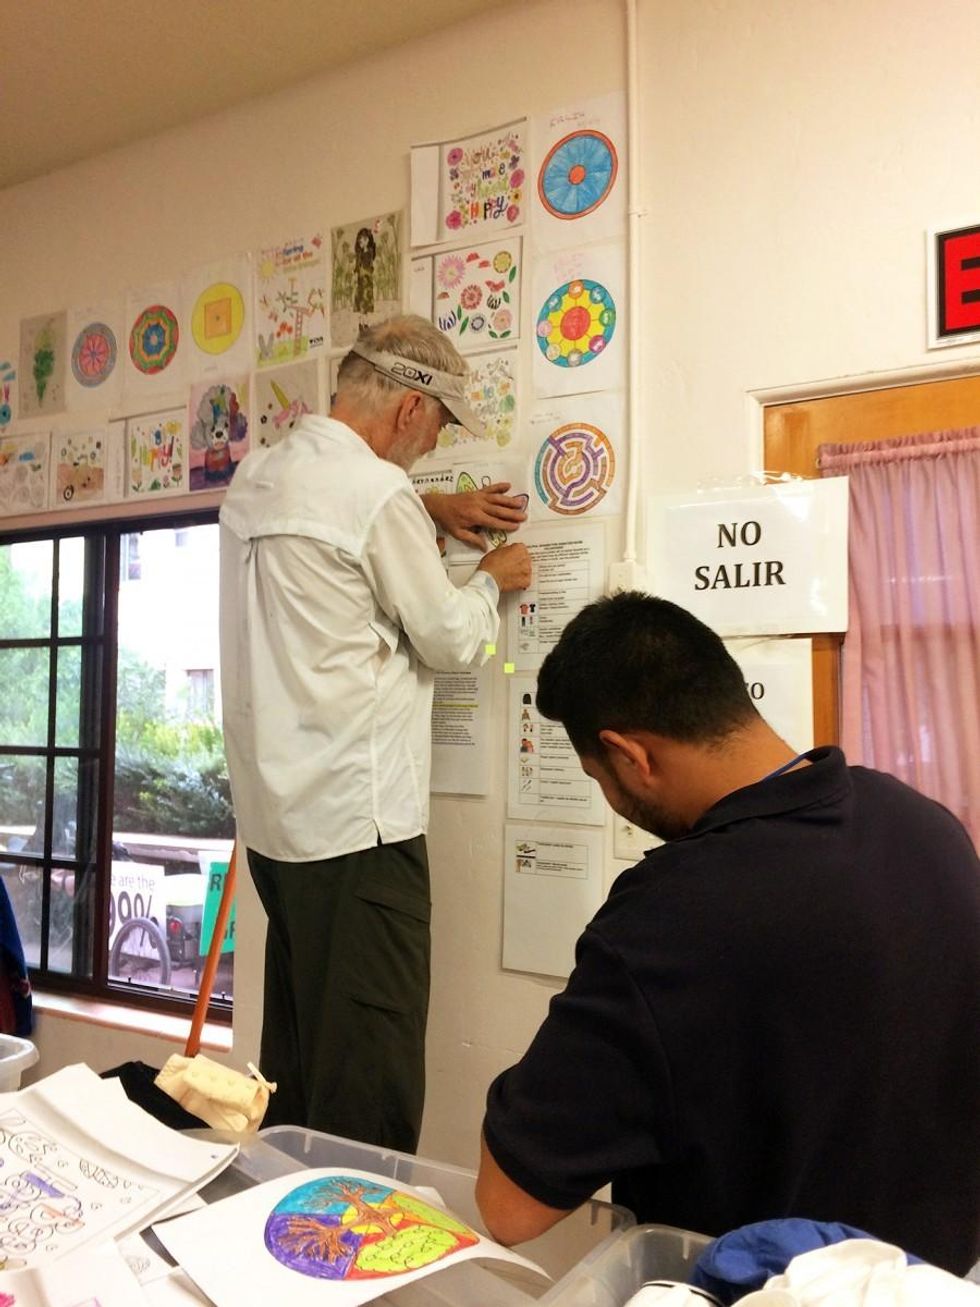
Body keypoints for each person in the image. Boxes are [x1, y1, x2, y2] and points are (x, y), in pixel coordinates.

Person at [477, 593, 980, 1274]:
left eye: (601, 778)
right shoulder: (927, 825)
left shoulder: (668, 918)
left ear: (630, 756)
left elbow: (509, 1206)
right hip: (931, 1283)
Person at [220, 315, 531, 1152]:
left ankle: (285, 1253)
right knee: (370, 1076)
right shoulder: (379, 493)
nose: (428, 450)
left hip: (280, 833)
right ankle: (355, 1267)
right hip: (363, 831)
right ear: (406, 410)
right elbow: (451, 638)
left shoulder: (257, 474)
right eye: (435, 430)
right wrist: (491, 578)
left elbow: (336, 525)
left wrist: (424, 505)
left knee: (299, 1065)